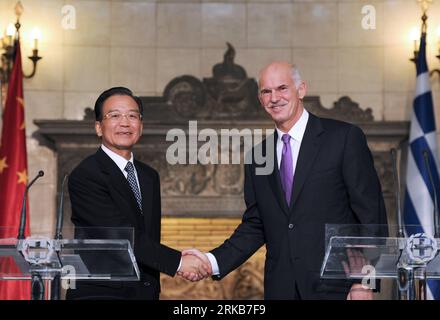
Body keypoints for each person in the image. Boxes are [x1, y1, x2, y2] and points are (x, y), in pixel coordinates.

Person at [180, 62, 388, 300]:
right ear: (260, 99)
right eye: (266, 91)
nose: (274, 98)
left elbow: (371, 215)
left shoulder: (343, 138)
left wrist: (365, 281)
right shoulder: (258, 156)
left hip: (336, 289)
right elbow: (256, 225)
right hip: (281, 289)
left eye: (282, 88)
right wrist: (211, 261)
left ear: (301, 90)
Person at [66, 87, 209, 300]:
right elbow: (120, 235)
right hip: (102, 295)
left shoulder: (148, 175)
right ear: (98, 127)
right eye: (114, 115)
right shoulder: (86, 175)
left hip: (144, 293)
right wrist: (178, 262)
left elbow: (147, 235)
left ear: (140, 127)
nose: (125, 122)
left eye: (132, 116)